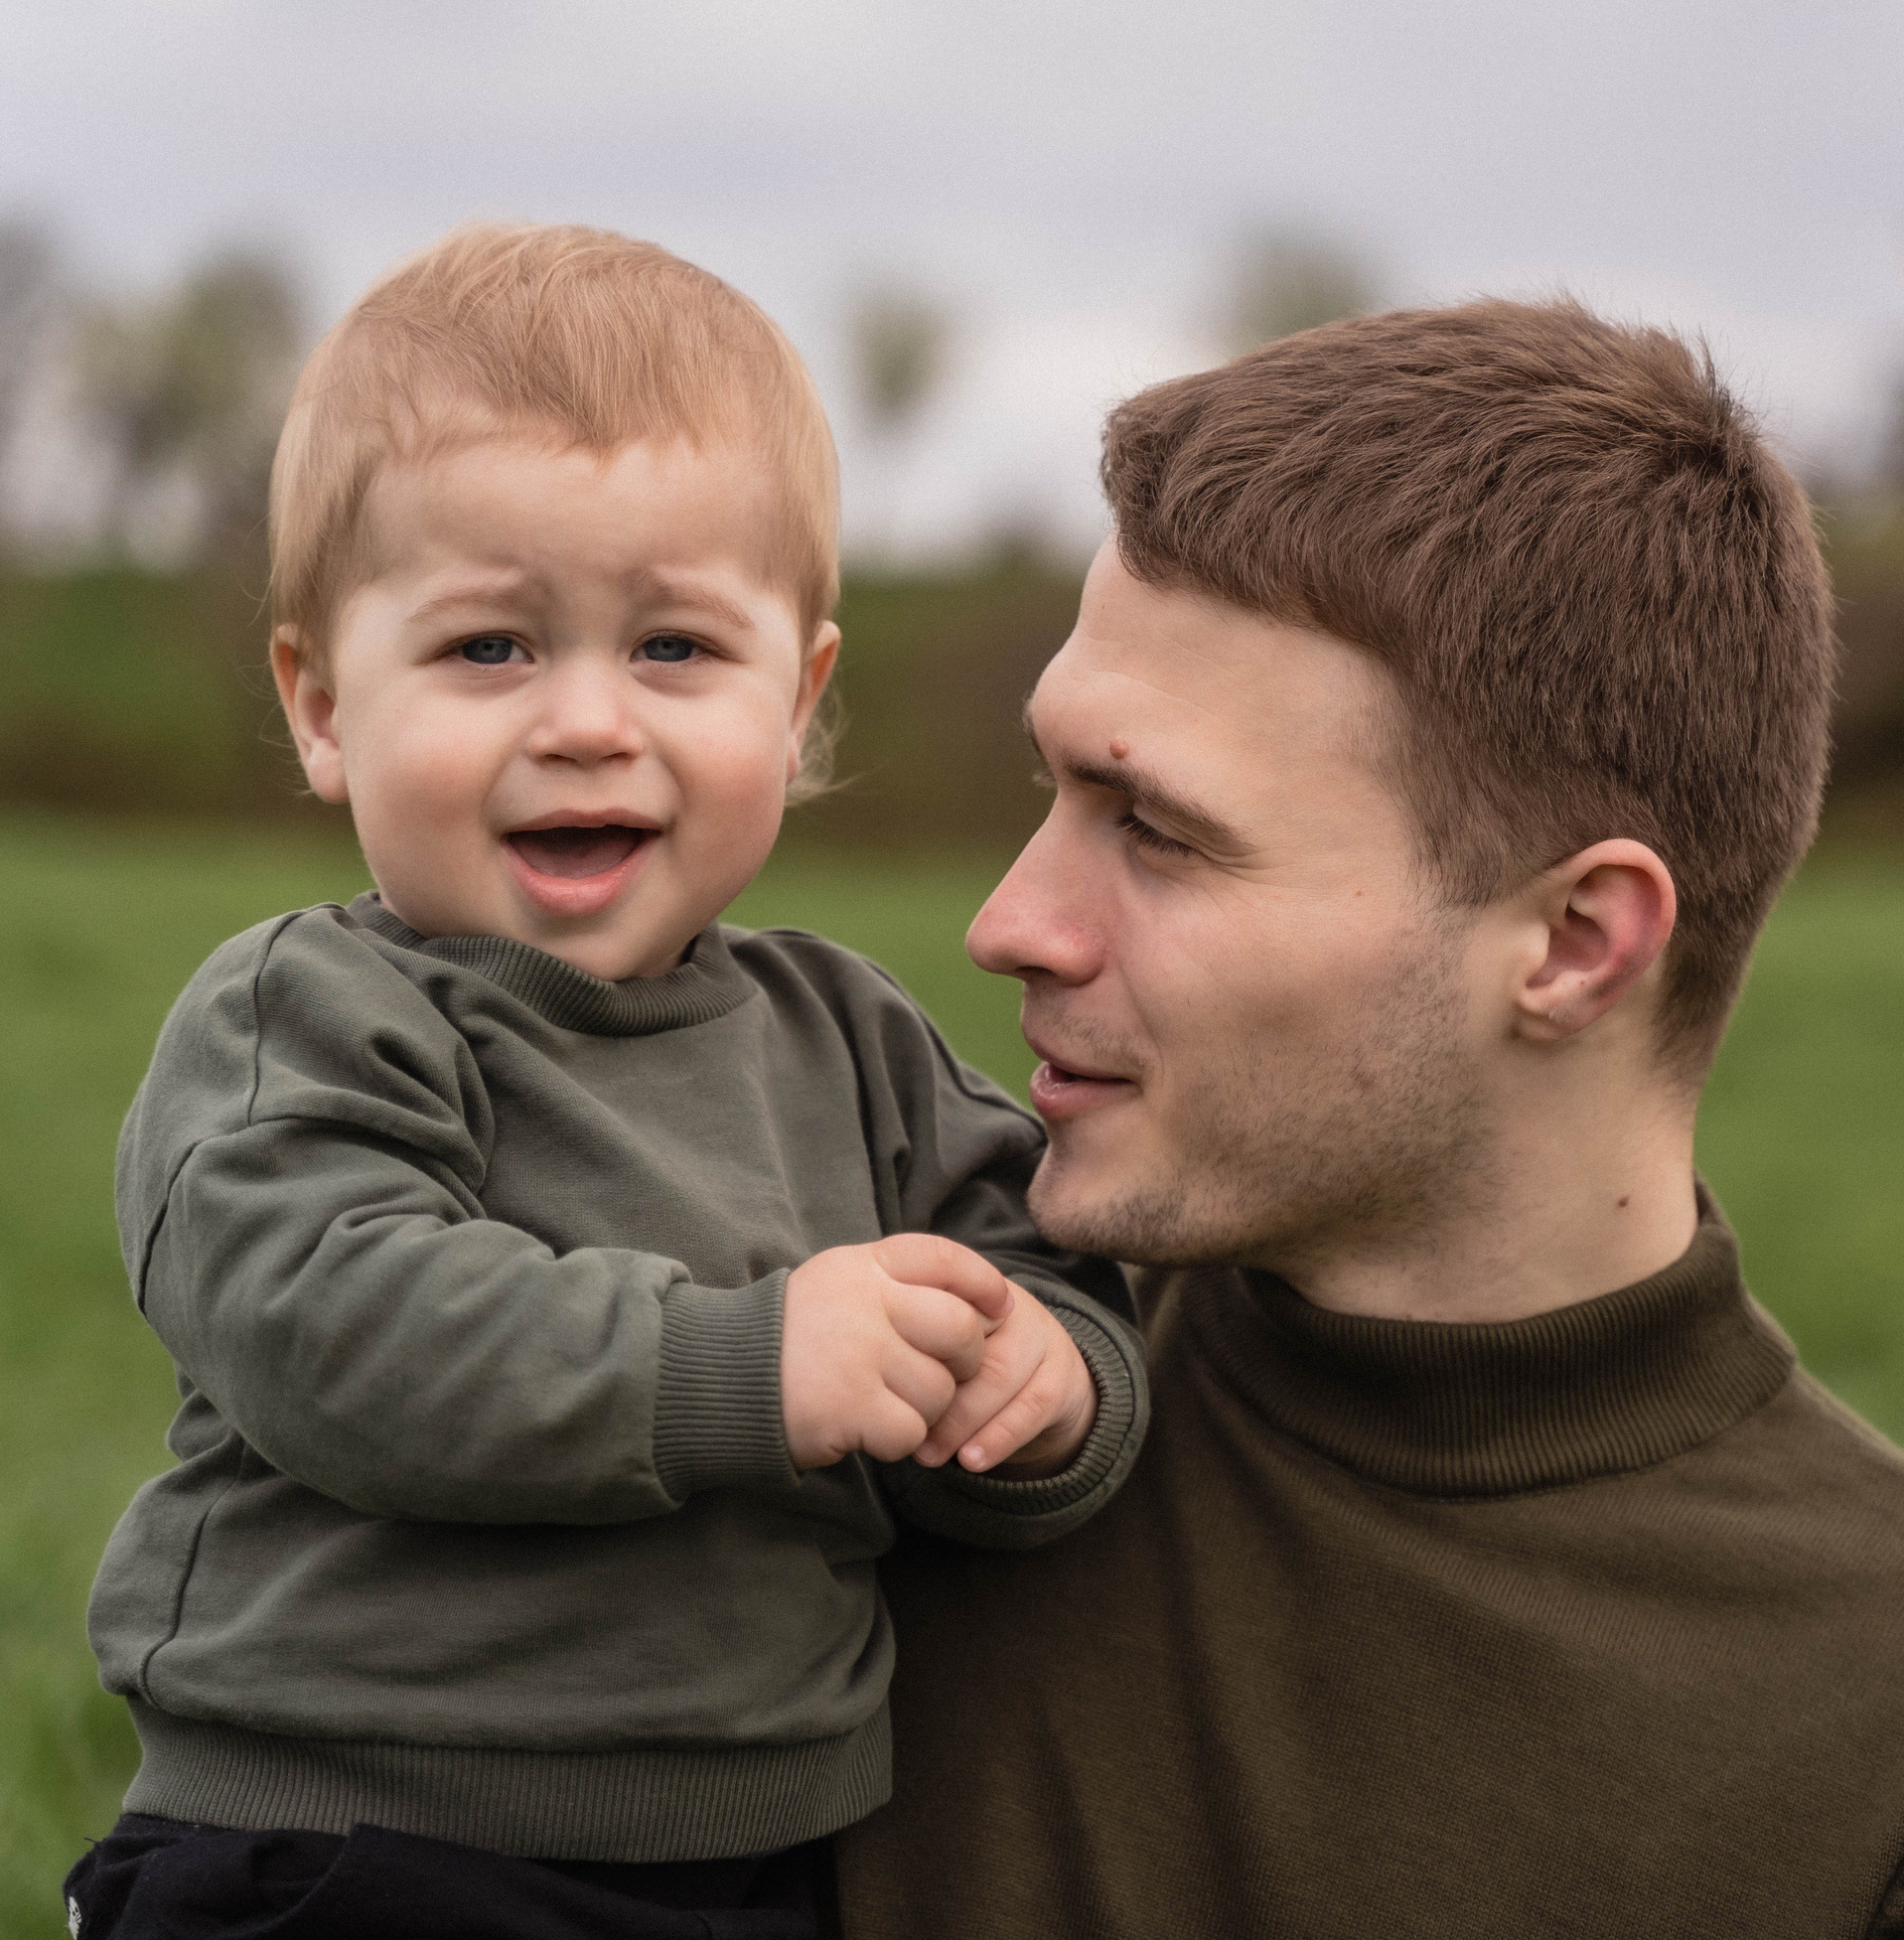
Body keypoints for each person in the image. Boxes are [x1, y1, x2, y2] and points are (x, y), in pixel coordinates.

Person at [837, 300, 1904, 1937]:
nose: (1014, 921)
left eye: (1156, 829)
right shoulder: (854, 1380)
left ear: (1574, 944)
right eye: (1054, 789)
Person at [65, 224, 1146, 1940]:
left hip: (771, 1855)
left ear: (797, 706)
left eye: (672, 651)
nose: (586, 719)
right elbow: (331, 1321)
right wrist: (749, 1361)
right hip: (353, 1843)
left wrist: (1043, 1387)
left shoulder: (850, 1043)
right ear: (323, 700)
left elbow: (1043, 1271)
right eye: (491, 648)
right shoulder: (312, 1011)